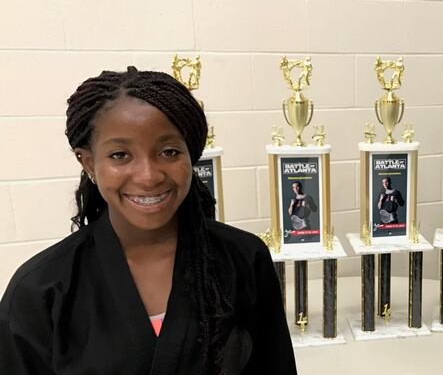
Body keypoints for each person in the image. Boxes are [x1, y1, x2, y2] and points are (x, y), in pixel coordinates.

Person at [0, 67, 297, 374]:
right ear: (88, 161)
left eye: (169, 152)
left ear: (190, 156)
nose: (149, 176)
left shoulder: (243, 260)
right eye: (120, 155)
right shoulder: (41, 291)